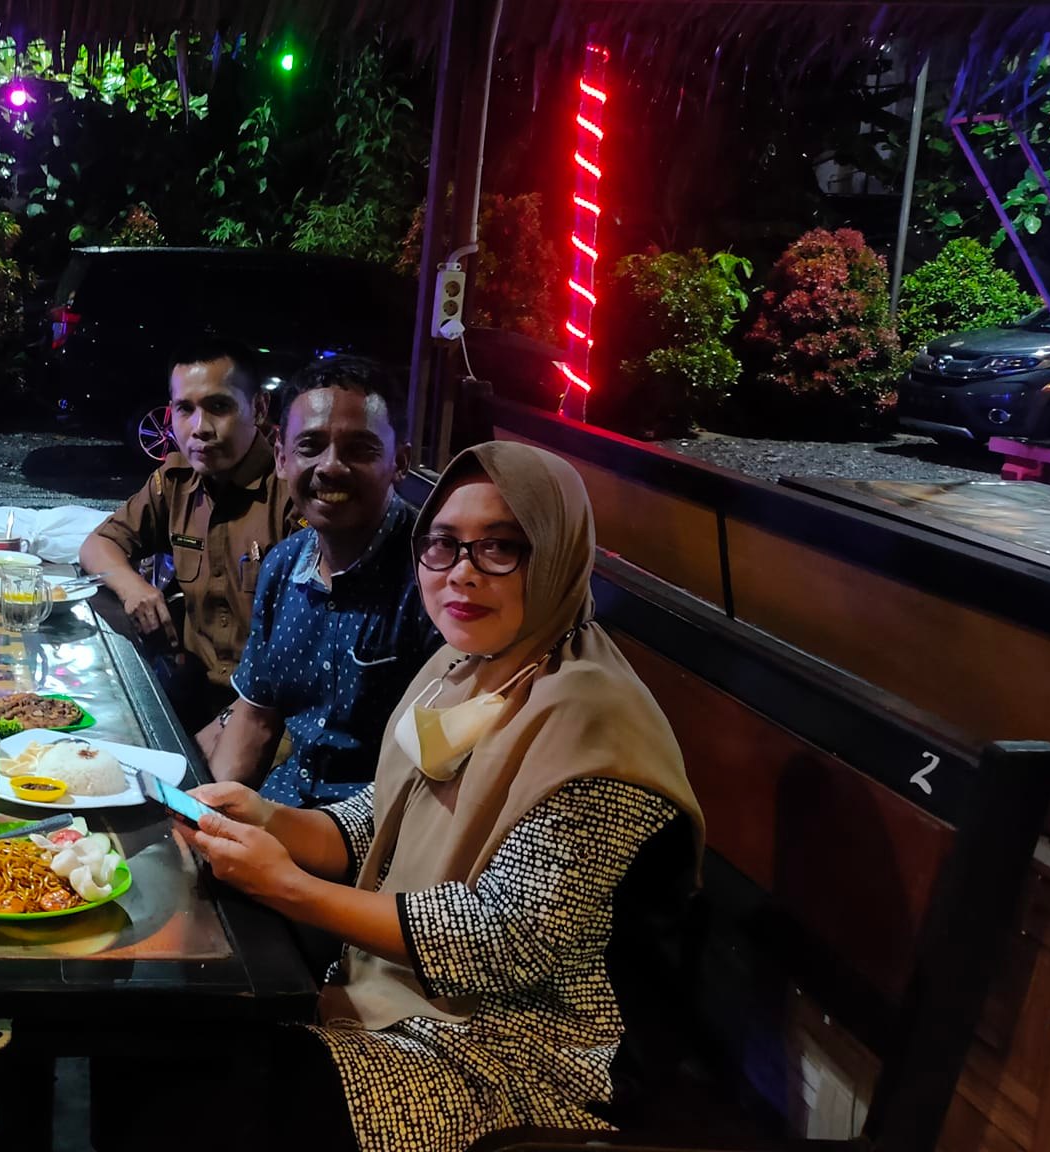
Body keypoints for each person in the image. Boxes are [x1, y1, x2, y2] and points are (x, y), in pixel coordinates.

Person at [186, 440, 705, 1151]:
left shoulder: (593, 719)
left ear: (558, 553)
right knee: (180, 1044)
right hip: (400, 998)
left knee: (209, 1094)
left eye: (501, 547)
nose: (462, 572)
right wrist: (270, 818)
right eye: (443, 544)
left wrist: (287, 887)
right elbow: (384, 818)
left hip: (518, 1054)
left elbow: (504, 939)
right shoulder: (466, 665)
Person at [205, 356, 433, 805]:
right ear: (281, 458)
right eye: (310, 446)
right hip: (279, 807)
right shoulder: (282, 565)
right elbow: (256, 719)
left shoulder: (434, 580)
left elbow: (438, 776)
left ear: (400, 462)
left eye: (360, 449)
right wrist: (201, 814)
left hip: (378, 827)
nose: (330, 467)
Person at [80, 338, 297, 740]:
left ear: (259, 408)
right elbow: (99, 544)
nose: (200, 428)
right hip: (194, 697)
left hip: (271, 717)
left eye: (219, 406)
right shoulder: (176, 482)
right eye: (185, 409)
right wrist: (135, 589)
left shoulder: (290, 492)